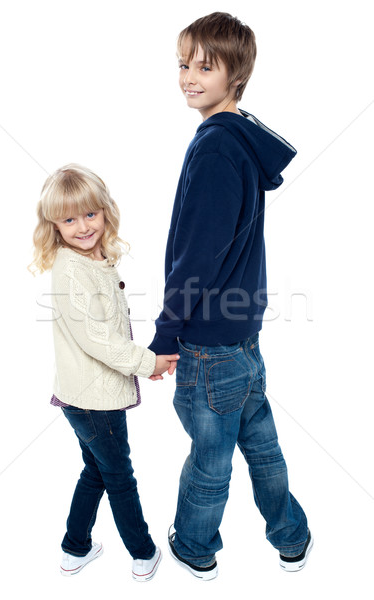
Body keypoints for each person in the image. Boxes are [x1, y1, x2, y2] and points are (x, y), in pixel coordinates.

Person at [148, 12, 312, 580]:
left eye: (204, 66)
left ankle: (194, 547)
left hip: (208, 345)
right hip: (242, 338)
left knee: (211, 459)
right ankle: (292, 538)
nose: (188, 76)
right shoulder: (239, 138)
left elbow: (198, 256)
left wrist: (166, 335)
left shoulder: (218, 150)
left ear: (235, 74)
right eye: (182, 63)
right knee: (261, 446)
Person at [30, 163, 179, 581]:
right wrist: (149, 362)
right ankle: (144, 552)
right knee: (118, 476)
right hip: (94, 401)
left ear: (105, 211)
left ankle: (75, 548)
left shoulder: (93, 257)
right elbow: (97, 339)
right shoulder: (70, 270)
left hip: (85, 395)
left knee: (95, 470)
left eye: (90, 214)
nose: (82, 226)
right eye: (69, 219)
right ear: (54, 224)